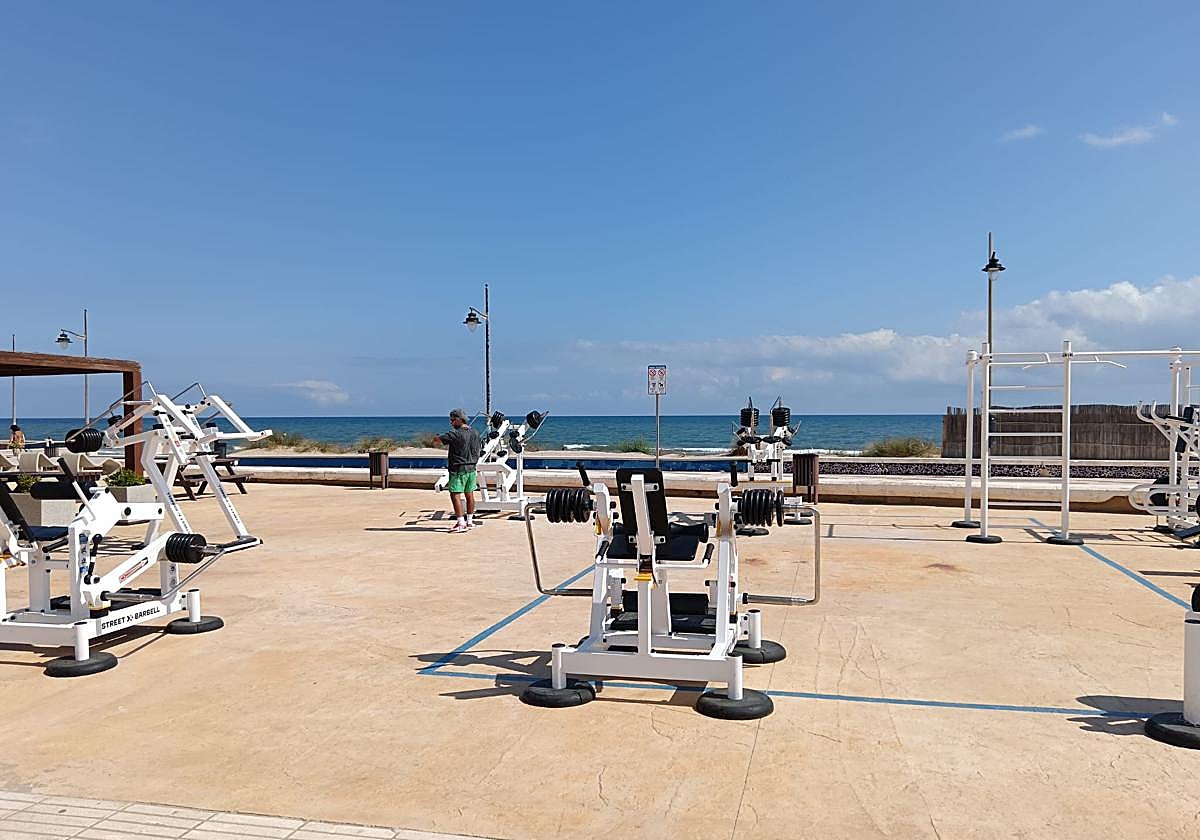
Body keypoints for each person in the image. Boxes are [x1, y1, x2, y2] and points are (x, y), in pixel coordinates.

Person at [434, 408, 482, 533]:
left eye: (452, 420)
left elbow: (438, 440)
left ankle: (461, 523)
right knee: (469, 494)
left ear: (459, 420)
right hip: (472, 468)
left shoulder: (455, 434)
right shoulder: (475, 433)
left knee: (455, 494)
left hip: (458, 468)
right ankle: (470, 521)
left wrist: (435, 437)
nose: (451, 423)